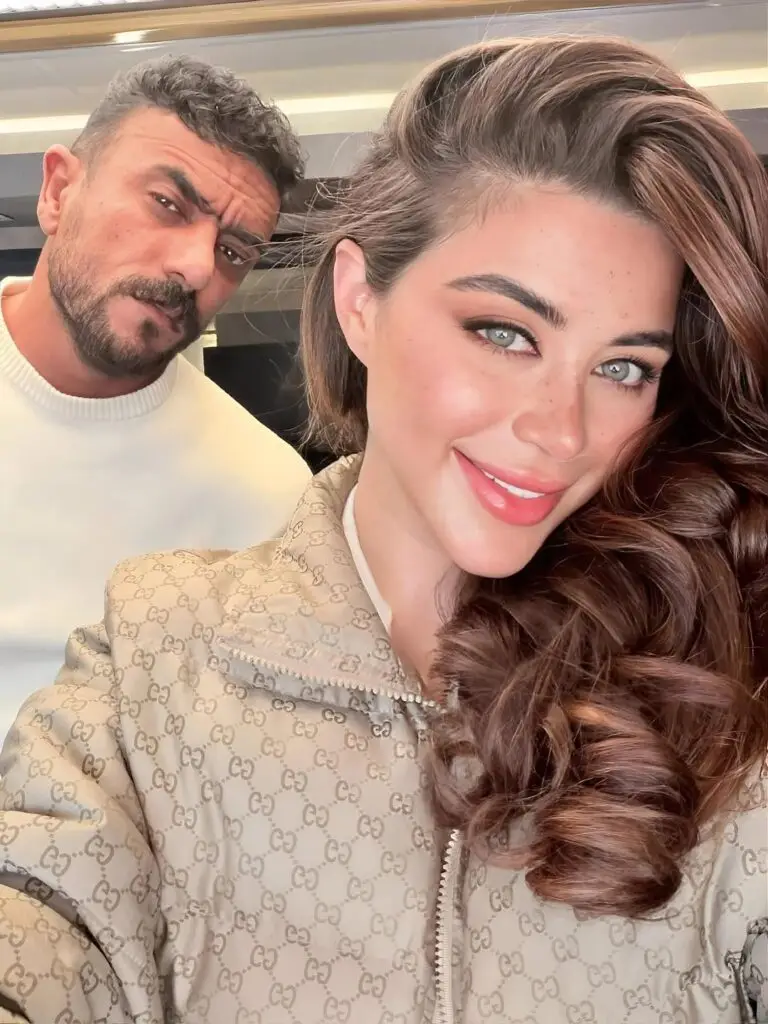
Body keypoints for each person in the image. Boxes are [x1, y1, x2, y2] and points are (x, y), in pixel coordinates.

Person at [0, 35, 766, 1024]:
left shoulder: (717, 684)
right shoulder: (151, 657)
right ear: (360, 301)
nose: (563, 432)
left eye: (624, 367)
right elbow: (46, 919)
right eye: (505, 332)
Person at [0, 56, 311, 739]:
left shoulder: (265, 497)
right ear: (57, 192)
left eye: (234, 251)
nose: (197, 267)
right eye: (167, 204)